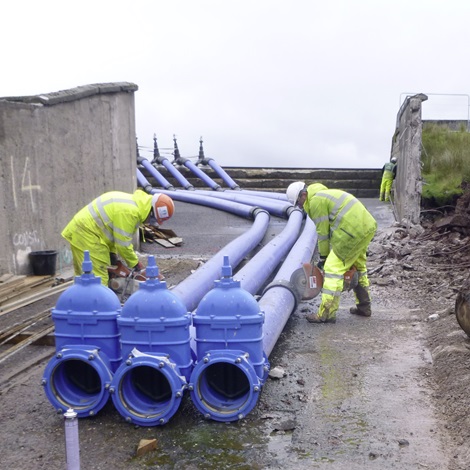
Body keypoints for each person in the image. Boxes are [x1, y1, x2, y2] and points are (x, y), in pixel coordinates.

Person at [286, 181, 377, 323]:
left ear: (303, 195)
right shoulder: (323, 194)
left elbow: (323, 234)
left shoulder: (315, 201)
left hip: (351, 232)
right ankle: (364, 307)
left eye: (299, 202)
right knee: (358, 266)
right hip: (366, 226)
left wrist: (323, 258)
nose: (300, 206)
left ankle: (326, 314)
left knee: (332, 269)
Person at [62, 189, 175, 286]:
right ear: (151, 212)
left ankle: (80, 307)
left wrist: (112, 254)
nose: (150, 223)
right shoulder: (131, 213)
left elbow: (110, 231)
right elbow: (123, 244)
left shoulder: (134, 204)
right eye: (153, 220)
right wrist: (136, 264)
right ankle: (100, 309)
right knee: (98, 280)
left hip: (84, 231)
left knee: (83, 277)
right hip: (87, 233)